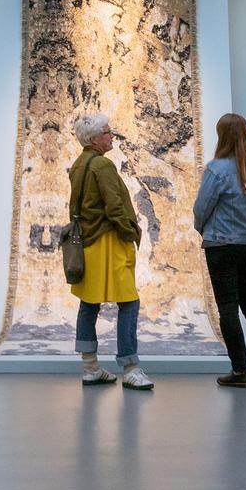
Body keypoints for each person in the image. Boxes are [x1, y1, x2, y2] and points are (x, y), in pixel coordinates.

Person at [68, 112, 153, 392]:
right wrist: (131, 232)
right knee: (128, 302)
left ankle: (90, 367)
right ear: (94, 138)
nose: (111, 135)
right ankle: (130, 367)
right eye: (107, 132)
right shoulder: (102, 166)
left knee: (89, 304)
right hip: (109, 243)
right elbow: (114, 207)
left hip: (88, 244)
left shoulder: (79, 164)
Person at [193, 112, 246, 387]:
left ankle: (239, 371)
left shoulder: (216, 170)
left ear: (222, 137)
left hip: (222, 245)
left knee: (227, 308)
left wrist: (202, 228)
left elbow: (201, 208)